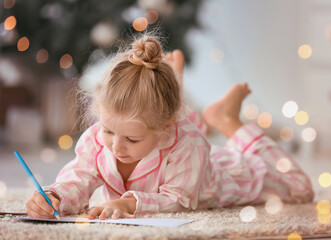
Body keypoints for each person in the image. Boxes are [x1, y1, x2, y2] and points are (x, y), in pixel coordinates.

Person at [26, 36, 314, 220]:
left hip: (220, 174)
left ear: (166, 126)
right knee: (172, 132)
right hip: (180, 145)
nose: (116, 146)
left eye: (132, 138)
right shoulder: (97, 140)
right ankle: (174, 84)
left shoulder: (187, 142)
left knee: (301, 187)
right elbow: (79, 176)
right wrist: (55, 196)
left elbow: (180, 201)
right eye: (108, 130)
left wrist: (128, 205)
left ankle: (227, 121)